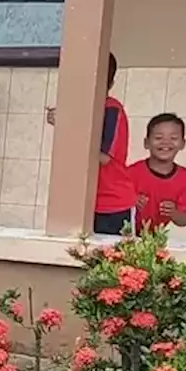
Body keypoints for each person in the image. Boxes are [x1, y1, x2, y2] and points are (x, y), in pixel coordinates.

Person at [46, 53, 134, 236]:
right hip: (81, 202)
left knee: (110, 259)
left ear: (108, 84)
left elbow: (102, 157)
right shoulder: (81, 112)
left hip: (112, 205)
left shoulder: (111, 109)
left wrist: (69, 125)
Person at [128, 113, 186, 232]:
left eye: (174, 138)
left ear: (182, 144)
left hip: (155, 239)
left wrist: (174, 213)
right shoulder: (130, 173)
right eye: (158, 138)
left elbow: (185, 219)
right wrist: (130, 202)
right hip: (125, 235)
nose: (166, 142)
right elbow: (113, 204)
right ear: (146, 143)